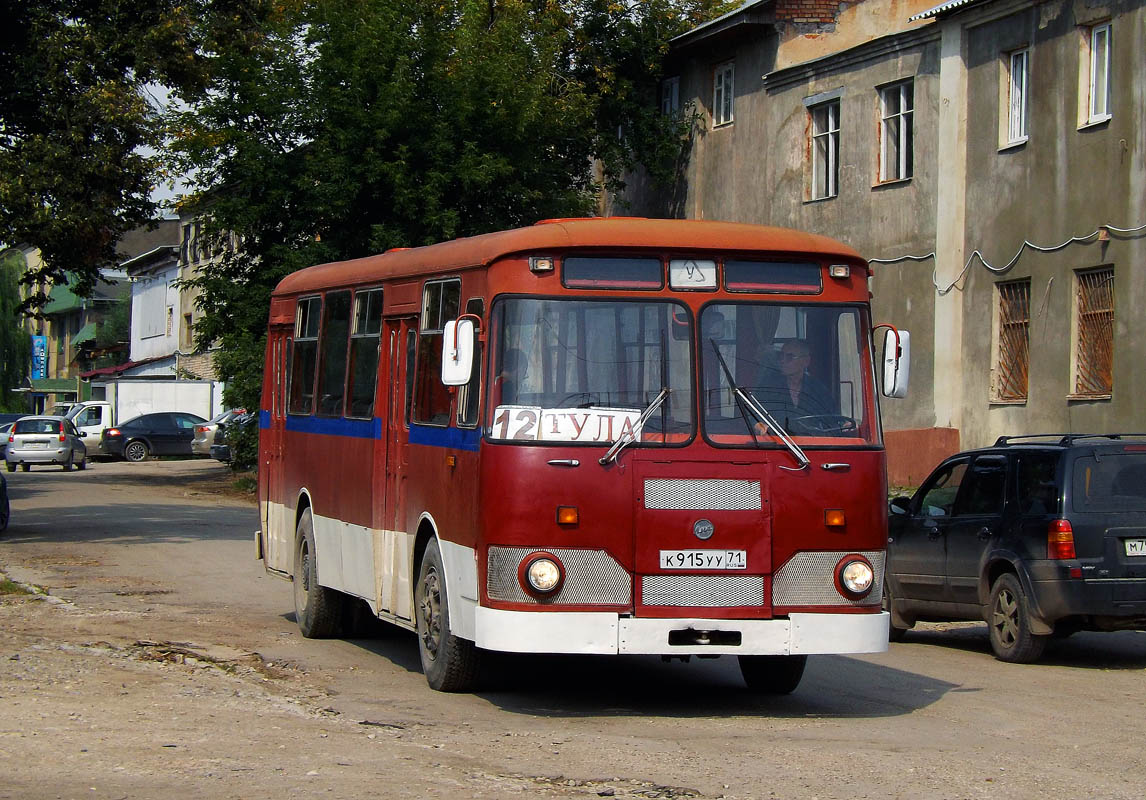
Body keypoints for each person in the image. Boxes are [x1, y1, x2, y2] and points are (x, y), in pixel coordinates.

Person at [753, 340, 833, 427]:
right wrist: (760, 426)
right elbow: (754, 417)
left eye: (789, 357)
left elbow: (832, 420)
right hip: (777, 439)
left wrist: (843, 425)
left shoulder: (818, 390)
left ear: (806, 361)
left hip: (811, 440)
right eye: (781, 356)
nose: (783, 361)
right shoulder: (768, 387)